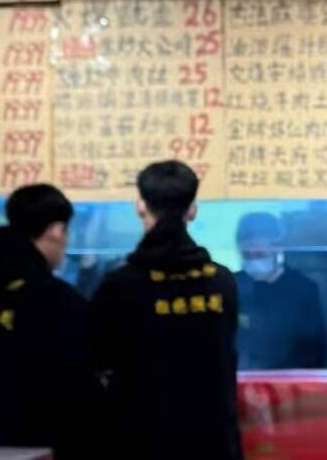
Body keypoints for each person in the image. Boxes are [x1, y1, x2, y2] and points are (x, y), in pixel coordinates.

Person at [0, 184, 103, 455]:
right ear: (56, 230)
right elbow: (77, 386)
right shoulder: (57, 299)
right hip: (33, 445)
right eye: (67, 232)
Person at [92, 161, 243, 459]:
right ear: (193, 210)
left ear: (140, 207)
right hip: (213, 445)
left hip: (138, 443)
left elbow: (98, 362)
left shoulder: (119, 285)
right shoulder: (223, 282)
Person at [234, 212, 327, 369]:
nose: (254, 260)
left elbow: (316, 349)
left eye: (259, 254)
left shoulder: (303, 288)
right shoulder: (232, 285)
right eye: (247, 256)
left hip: (291, 377)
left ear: (277, 247)